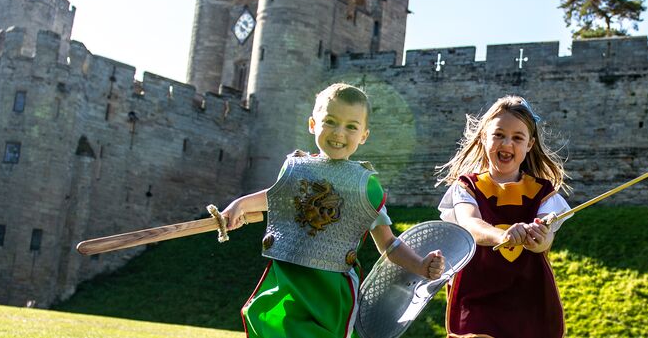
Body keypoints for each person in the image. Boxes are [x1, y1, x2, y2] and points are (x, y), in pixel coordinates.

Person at [221, 83, 445, 338]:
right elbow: (274, 197)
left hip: (330, 294)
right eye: (330, 121)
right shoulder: (296, 168)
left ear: (364, 135)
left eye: (351, 126)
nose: (339, 133)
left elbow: (388, 244)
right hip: (287, 283)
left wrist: (419, 264)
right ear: (313, 124)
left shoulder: (365, 186)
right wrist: (239, 205)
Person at [435, 95, 571, 338]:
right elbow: (470, 224)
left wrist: (540, 240)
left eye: (517, 138)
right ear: (484, 138)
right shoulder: (467, 186)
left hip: (528, 300)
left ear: (529, 144)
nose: (507, 144)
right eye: (499, 134)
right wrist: (502, 235)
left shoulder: (543, 193)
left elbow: (547, 240)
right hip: (477, 294)